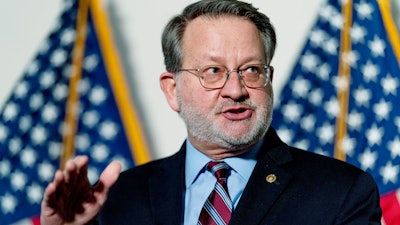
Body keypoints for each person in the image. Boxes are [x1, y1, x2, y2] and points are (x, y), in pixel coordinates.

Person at [40, 0, 382, 224]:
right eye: (213, 72)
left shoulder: (342, 193)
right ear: (172, 90)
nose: (236, 90)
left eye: (251, 70)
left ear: (269, 80)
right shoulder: (115, 201)